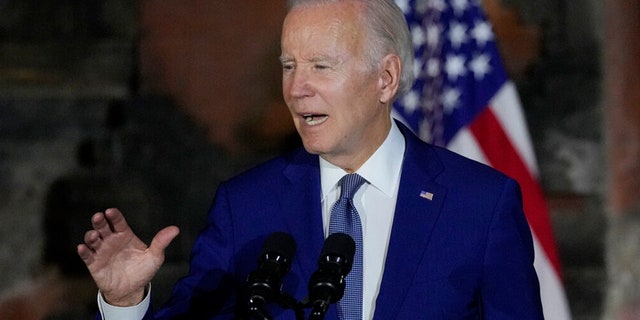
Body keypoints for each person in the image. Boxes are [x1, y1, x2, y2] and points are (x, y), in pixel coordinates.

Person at [77, 0, 544, 319]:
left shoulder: (480, 204)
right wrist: (126, 301)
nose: (297, 88)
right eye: (288, 66)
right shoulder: (247, 206)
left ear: (385, 79)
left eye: (321, 66)